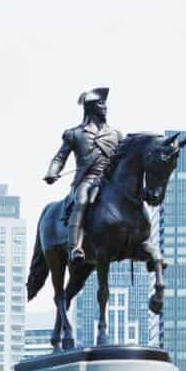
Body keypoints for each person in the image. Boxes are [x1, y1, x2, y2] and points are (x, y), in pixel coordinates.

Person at [43, 86, 124, 264]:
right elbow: (59, 157)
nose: (106, 108)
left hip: (109, 182)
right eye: (102, 104)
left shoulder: (115, 134)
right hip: (87, 180)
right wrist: (52, 172)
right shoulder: (74, 134)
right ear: (92, 107)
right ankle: (75, 247)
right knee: (81, 201)